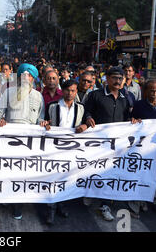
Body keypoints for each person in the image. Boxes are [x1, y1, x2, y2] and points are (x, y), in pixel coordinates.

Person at [0, 63, 48, 220]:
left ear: (33, 78)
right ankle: (4, 199)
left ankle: (18, 206)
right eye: (23, 75)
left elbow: (40, 117)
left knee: (23, 175)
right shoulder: (9, 92)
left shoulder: (38, 96)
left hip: (29, 144)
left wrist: (42, 122)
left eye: (29, 75)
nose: (26, 78)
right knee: (8, 172)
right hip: (9, 142)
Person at [84, 67, 138, 221]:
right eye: (114, 78)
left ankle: (105, 204)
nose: (118, 81)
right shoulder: (95, 95)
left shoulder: (125, 98)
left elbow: (128, 116)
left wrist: (132, 121)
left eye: (120, 79)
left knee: (110, 173)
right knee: (93, 169)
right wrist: (88, 118)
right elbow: (87, 111)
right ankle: (88, 194)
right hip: (97, 143)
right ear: (106, 78)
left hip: (117, 145)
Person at [127, 80, 156, 218]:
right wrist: (133, 121)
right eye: (152, 90)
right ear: (146, 91)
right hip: (141, 149)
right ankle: (135, 204)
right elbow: (131, 122)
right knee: (139, 175)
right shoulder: (139, 105)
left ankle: (154, 201)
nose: (154, 94)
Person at [45, 79, 88, 225]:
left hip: (72, 149)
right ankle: (51, 208)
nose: (70, 93)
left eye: (73, 91)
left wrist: (85, 125)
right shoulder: (52, 106)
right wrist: (45, 124)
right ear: (62, 91)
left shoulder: (81, 108)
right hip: (54, 148)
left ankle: (62, 205)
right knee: (53, 178)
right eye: (67, 90)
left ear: (76, 92)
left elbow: (87, 121)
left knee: (66, 178)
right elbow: (44, 121)